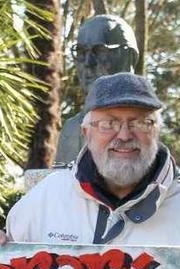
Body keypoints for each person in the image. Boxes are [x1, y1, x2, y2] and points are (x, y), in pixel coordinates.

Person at [3, 72, 180, 255]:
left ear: (156, 131)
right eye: (109, 123)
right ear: (86, 133)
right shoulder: (47, 198)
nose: (123, 135)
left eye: (139, 123)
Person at [55, 15, 140, 165]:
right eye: (81, 52)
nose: (88, 63)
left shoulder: (147, 127)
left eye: (100, 51)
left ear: (129, 57)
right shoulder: (71, 129)